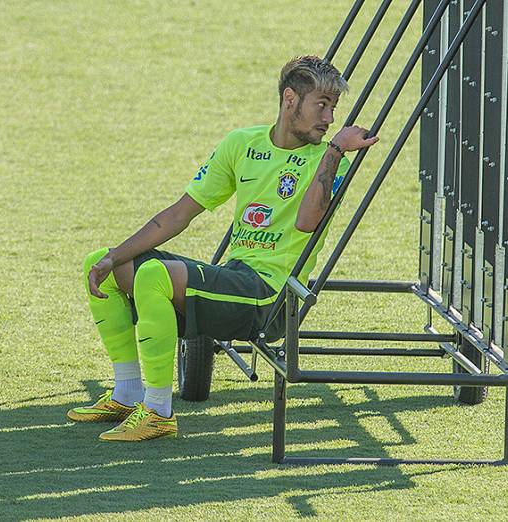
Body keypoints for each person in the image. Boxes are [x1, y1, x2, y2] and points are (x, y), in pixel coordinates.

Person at [69, 56, 380, 441]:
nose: (330, 118)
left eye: (334, 107)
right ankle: (127, 393)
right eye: (322, 104)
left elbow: (306, 222)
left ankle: (159, 412)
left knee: (153, 277)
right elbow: (179, 215)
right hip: (236, 277)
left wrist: (334, 152)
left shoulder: (329, 160)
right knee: (104, 263)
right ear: (289, 100)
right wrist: (115, 255)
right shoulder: (242, 144)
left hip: (269, 296)